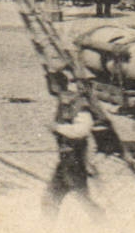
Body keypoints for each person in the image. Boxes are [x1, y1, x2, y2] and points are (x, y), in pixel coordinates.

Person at [42, 71, 103, 219]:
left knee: (81, 198)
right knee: (51, 199)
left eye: (50, 83)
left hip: (74, 159)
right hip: (66, 160)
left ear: (55, 85)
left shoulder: (76, 102)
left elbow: (82, 130)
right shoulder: (64, 101)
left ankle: (104, 224)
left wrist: (57, 128)